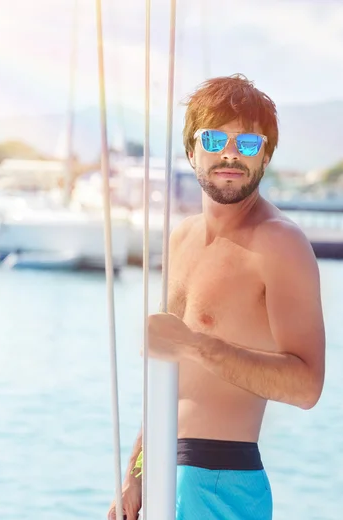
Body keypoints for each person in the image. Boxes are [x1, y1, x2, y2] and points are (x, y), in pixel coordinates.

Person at [108, 73, 326, 520]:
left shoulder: (279, 244)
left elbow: (307, 386)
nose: (230, 152)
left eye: (247, 143)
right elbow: (170, 379)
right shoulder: (181, 238)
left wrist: (198, 345)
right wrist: (135, 472)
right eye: (214, 138)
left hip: (220, 481)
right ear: (191, 151)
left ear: (264, 156)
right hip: (162, 475)